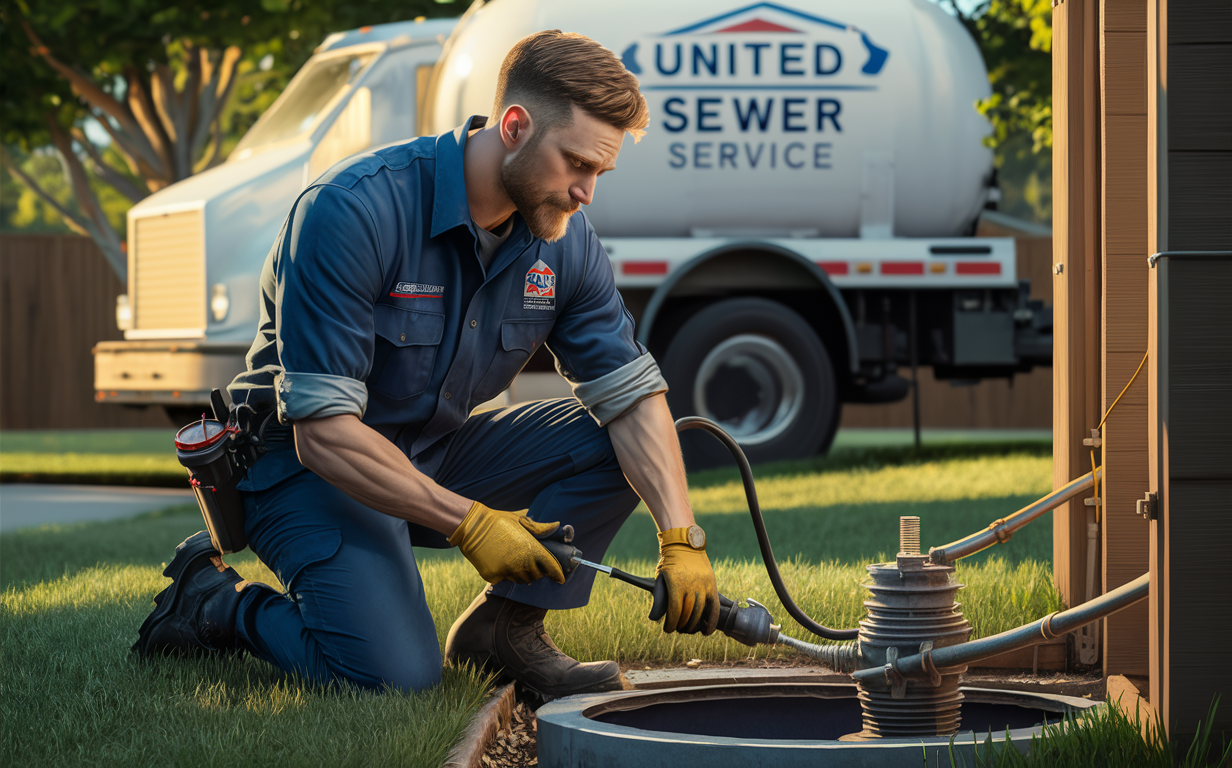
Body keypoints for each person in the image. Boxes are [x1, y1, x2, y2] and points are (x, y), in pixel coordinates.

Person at [133, 30, 720, 699]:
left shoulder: (565, 241)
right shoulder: (353, 210)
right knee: (395, 679)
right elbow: (322, 433)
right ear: (517, 126)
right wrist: (468, 521)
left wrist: (682, 535)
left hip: (431, 450)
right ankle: (212, 603)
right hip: (302, 468)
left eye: (599, 173)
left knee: (627, 437)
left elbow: (632, 396)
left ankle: (505, 632)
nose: (587, 191)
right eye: (576, 164)